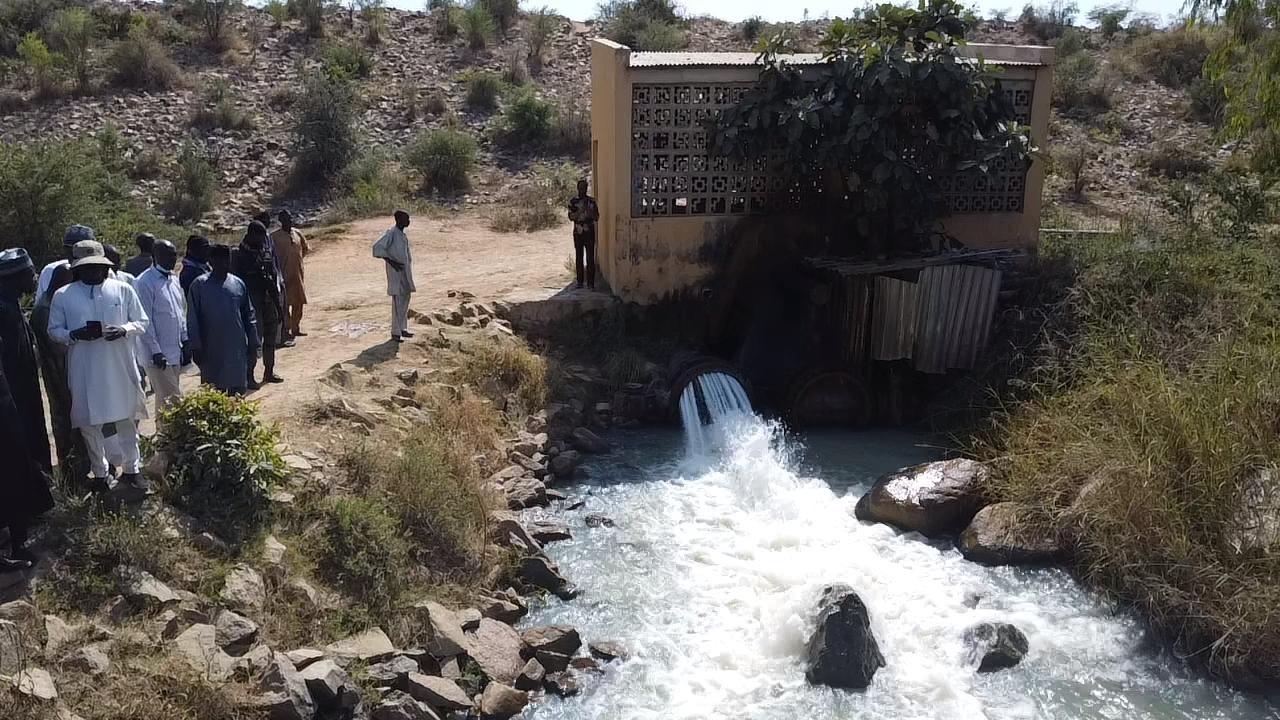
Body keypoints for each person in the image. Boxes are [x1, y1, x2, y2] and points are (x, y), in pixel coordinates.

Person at [48, 240, 149, 490]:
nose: (93, 271)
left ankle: (132, 469)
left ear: (105, 267)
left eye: (97, 266)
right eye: (87, 267)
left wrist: (124, 329)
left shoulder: (123, 289)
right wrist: (74, 334)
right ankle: (101, 473)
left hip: (120, 366)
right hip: (85, 369)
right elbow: (54, 330)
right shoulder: (64, 295)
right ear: (78, 269)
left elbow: (142, 321)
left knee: (127, 418)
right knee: (89, 423)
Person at [0, 249, 55, 571]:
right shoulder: (3, 311)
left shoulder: (11, 305)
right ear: (14, 277)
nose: (35, 278)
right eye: (30, 272)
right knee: (13, 467)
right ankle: (17, 539)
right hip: (11, 405)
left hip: (20, 399)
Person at [31, 263, 87, 482]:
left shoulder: (51, 303)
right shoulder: (45, 309)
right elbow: (58, 347)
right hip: (59, 377)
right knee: (67, 425)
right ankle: (72, 476)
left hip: (64, 372)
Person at [188, 245, 259, 397]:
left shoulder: (238, 283)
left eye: (226, 260)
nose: (224, 264)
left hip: (236, 349)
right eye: (219, 260)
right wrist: (196, 347)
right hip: (210, 350)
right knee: (214, 395)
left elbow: (249, 314)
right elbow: (193, 319)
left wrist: (253, 340)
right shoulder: (199, 285)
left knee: (238, 393)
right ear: (211, 261)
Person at [135, 240, 188, 414]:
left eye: (174, 255)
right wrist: (156, 351)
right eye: (167, 255)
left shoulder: (173, 279)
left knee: (164, 402)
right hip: (156, 356)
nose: (172, 259)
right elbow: (145, 320)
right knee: (173, 400)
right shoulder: (144, 282)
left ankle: (162, 431)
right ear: (154, 257)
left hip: (174, 351)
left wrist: (185, 338)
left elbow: (179, 312)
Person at [232, 221, 284, 388]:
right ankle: (249, 376)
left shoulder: (265, 251)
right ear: (251, 235)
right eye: (260, 236)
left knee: (270, 338)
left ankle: (269, 371)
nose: (263, 240)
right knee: (254, 342)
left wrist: (279, 307)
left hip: (268, 300)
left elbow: (272, 277)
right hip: (251, 304)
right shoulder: (238, 255)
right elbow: (235, 283)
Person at [372, 210, 416, 343]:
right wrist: (392, 262)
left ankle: (403, 328)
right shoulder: (391, 233)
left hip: (404, 272)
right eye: (406, 219)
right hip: (395, 272)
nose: (408, 221)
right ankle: (395, 333)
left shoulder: (402, 235)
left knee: (405, 298)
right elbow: (377, 248)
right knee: (397, 301)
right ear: (399, 220)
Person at [271, 210, 310, 341]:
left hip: (297, 275)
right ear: (281, 221)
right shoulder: (274, 237)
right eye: (285, 219)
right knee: (285, 304)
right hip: (283, 276)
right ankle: (286, 330)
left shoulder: (297, 233)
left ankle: (296, 328)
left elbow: (305, 248)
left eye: (290, 218)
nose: (289, 220)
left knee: (299, 302)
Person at [36, 224, 96, 300]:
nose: (74, 254)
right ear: (65, 250)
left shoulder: (102, 272)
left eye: (81, 251)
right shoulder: (50, 270)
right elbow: (41, 304)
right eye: (70, 249)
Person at [567, 179, 600, 290]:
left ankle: (591, 283)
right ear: (577, 188)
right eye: (581, 187)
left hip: (589, 231)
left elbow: (597, 217)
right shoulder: (573, 202)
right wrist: (579, 211)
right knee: (579, 256)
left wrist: (589, 212)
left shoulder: (591, 202)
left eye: (584, 187)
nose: (583, 190)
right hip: (578, 231)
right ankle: (580, 282)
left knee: (590, 258)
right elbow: (570, 217)